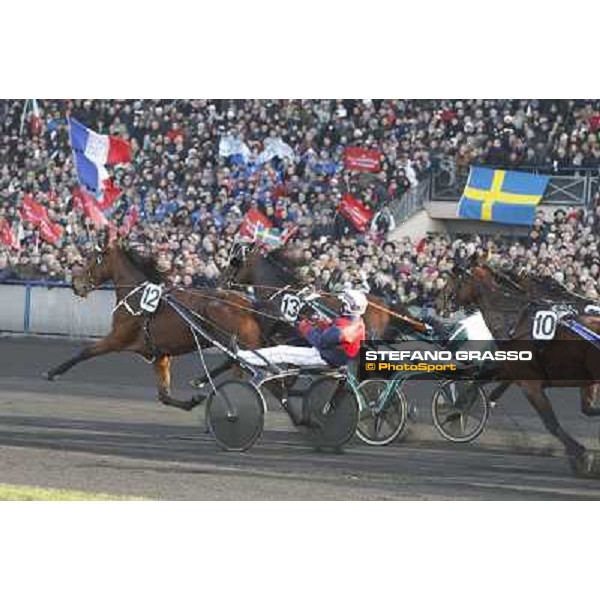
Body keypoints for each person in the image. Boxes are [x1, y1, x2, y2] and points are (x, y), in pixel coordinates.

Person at [237, 289, 368, 368]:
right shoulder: (357, 321)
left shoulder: (343, 329)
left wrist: (306, 328)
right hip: (338, 355)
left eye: (343, 303)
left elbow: (320, 342)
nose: (341, 304)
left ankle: (244, 358)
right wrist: (322, 323)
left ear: (348, 307)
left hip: (327, 357)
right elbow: (335, 327)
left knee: (282, 351)